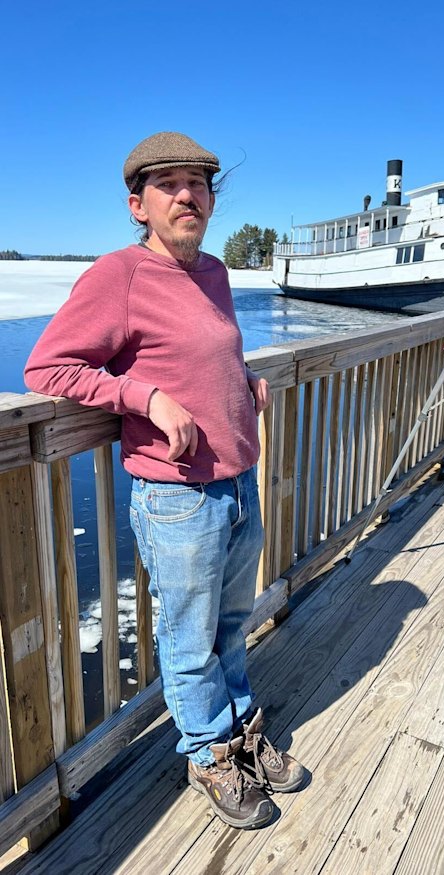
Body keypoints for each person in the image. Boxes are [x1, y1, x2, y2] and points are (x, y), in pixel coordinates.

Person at [24, 131, 304, 829]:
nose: (188, 195)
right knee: (188, 635)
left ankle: (241, 730)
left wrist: (243, 381)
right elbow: (48, 368)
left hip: (238, 483)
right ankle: (208, 753)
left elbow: (205, 354)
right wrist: (145, 398)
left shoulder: (213, 273)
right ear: (137, 205)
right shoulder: (118, 275)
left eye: (199, 184)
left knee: (232, 625)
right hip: (177, 497)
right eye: (170, 185)